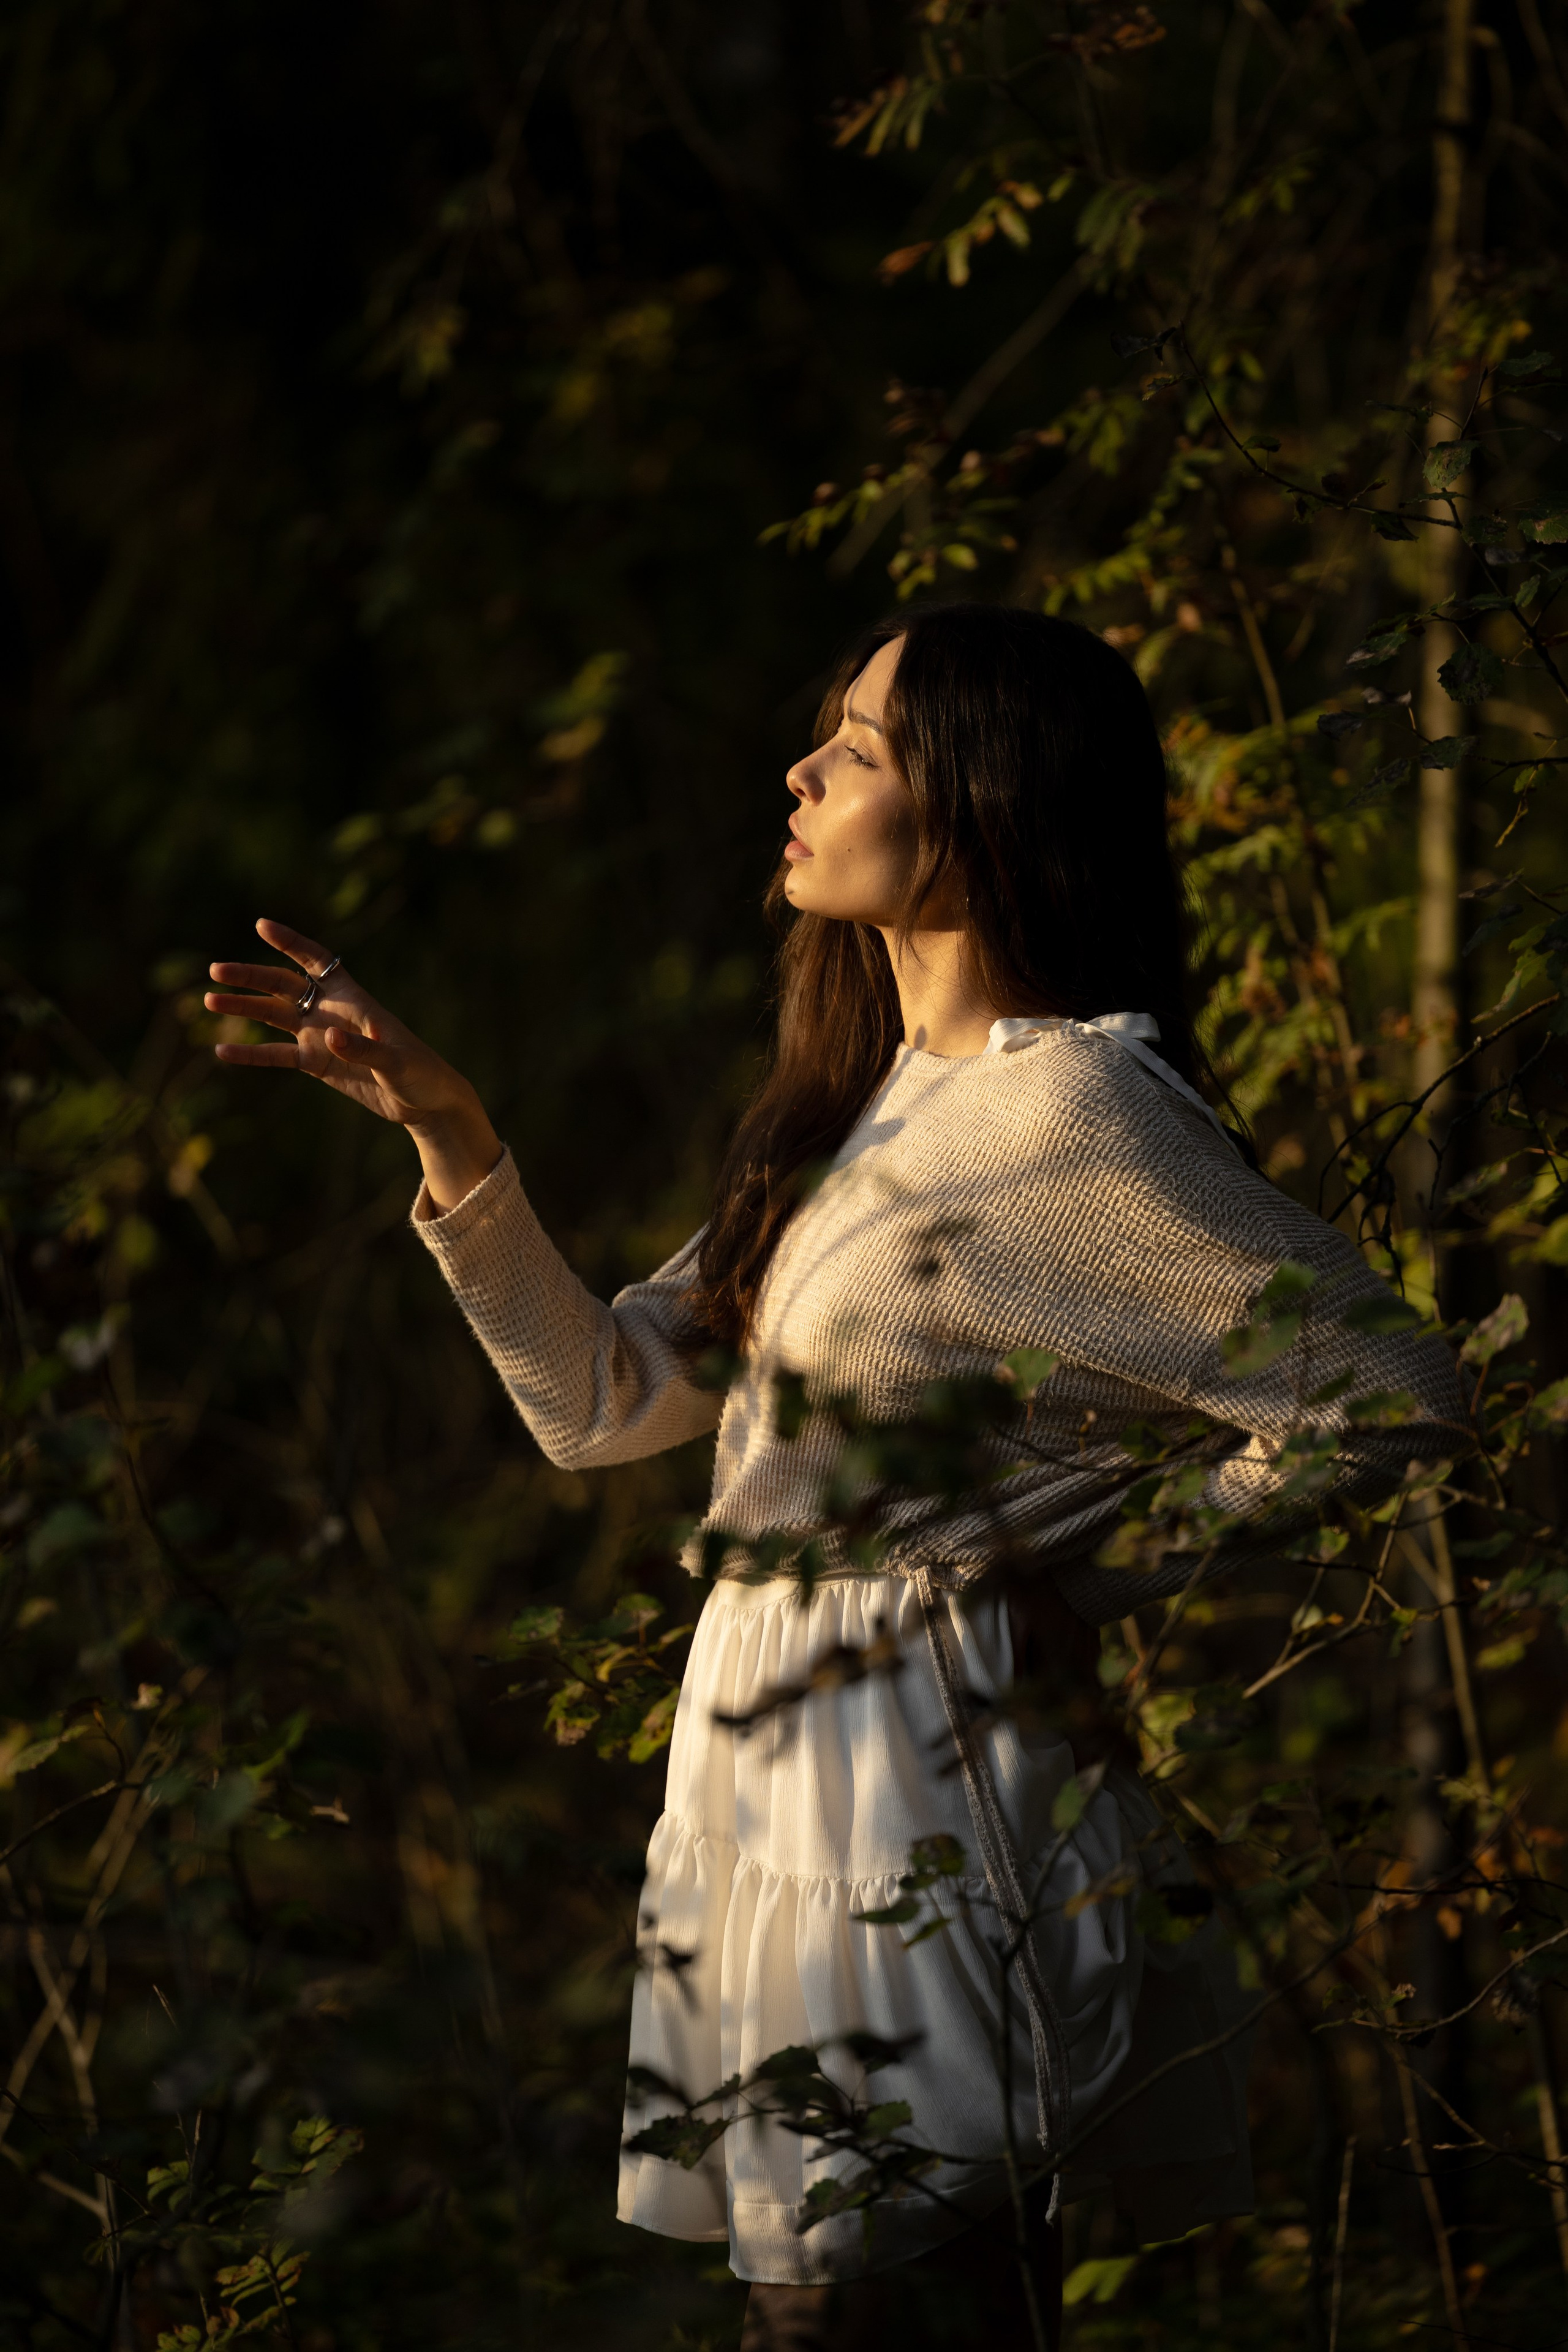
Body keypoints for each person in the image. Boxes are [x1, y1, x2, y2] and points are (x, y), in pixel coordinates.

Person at [206, 605, 1464, 2351]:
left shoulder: (1072, 1114)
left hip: (914, 1786)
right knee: (827, 2314)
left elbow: (1389, 1385)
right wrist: (452, 1130)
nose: (801, 774)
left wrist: (1073, 1563)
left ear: (986, 804)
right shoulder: (864, 1100)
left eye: (859, 750)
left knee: (868, 2316)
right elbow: (601, 1401)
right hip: (775, 1782)